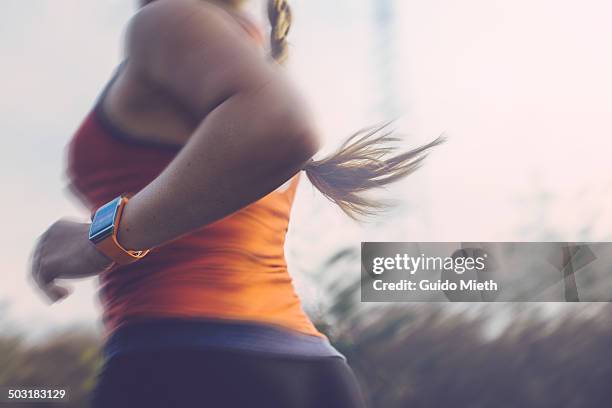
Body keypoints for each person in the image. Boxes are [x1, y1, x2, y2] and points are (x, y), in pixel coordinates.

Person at [30, 0, 442, 406]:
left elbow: (283, 122)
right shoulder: (240, 46)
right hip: (305, 370)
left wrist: (99, 242)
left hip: (187, 367)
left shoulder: (167, 19)